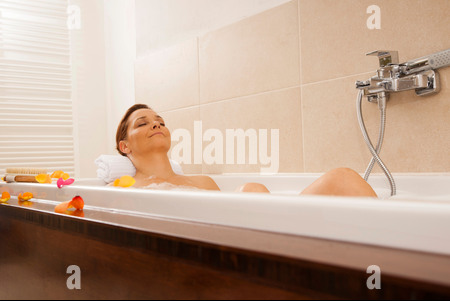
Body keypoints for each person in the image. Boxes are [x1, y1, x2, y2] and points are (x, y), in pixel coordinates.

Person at [115, 104, 378, 197]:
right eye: (143, 123)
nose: (156, 124)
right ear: (124, 146)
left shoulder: (203, 183)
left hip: (256, 240)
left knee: (342, 177)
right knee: (251, 190)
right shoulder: (124, 189)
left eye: (160, 120)